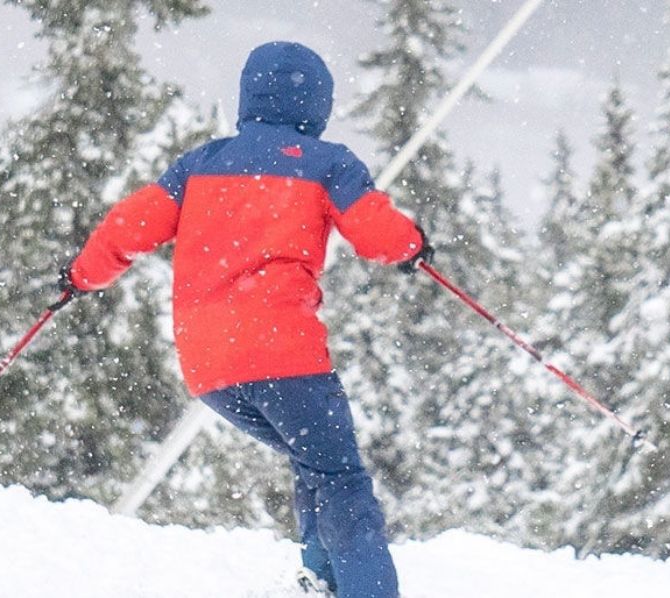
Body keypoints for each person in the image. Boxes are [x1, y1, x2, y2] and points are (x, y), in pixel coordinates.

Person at [60, 41, 430, 598]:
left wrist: (81, 276)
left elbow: (126, 227)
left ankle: (321, 580)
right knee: (342, 481)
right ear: (318, 103)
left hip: (211, 367)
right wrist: (414, 248)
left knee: (315, 463)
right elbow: (381, 235)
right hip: (286, 355)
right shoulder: (328, 163)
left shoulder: (200, 165)